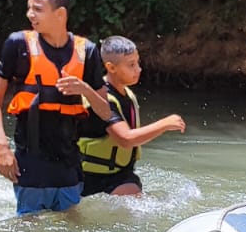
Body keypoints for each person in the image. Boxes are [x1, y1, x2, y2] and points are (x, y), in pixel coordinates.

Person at [0, 0, 112, 216]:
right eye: (29, 8)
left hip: (69, 164)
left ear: (60, 14)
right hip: (30, 163)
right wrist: (2, 148)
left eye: (37, 9)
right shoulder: (18, 44)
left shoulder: (88, 51)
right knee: (28, 231)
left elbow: (106, 113)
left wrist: (85, 89)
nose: (30, 15)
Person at [79, 36, 187, 197]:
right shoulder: (101, 99)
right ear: (111, 67)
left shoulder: (126, 93)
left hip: (119, 174)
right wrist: (164, 124)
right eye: (131, 65)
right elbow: (126, 139)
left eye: (137, 62)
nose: (138, 69)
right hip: (88, 178)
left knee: (135, 196)